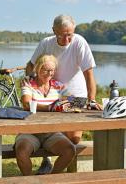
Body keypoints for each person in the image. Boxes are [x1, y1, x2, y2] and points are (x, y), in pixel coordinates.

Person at [26, 14, 101, 174]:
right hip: (51, 95)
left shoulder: (79, 42)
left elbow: (89, 74)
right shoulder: (46, 43)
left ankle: (60, 167)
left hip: (75, 96)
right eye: (62, 35)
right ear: (54, 31)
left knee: (74, 138)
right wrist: (31, 82)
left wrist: (92, 99)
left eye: (70, 35)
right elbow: (31, 65)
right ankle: (47, 161)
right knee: (48, 131)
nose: (67, 40)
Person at [15, 54, 76, 176]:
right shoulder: (28, 84)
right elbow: (27, 104)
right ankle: (30, 181)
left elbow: (69, 101)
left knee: (70, 150)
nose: (49, 73)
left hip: (51, 132)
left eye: (52, 70)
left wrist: (79, 103)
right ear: (37, 69)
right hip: (29, 132)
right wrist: (50, 107)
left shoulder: (58, 85)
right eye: (46, 70)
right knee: (21, 151)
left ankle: (50, 179)